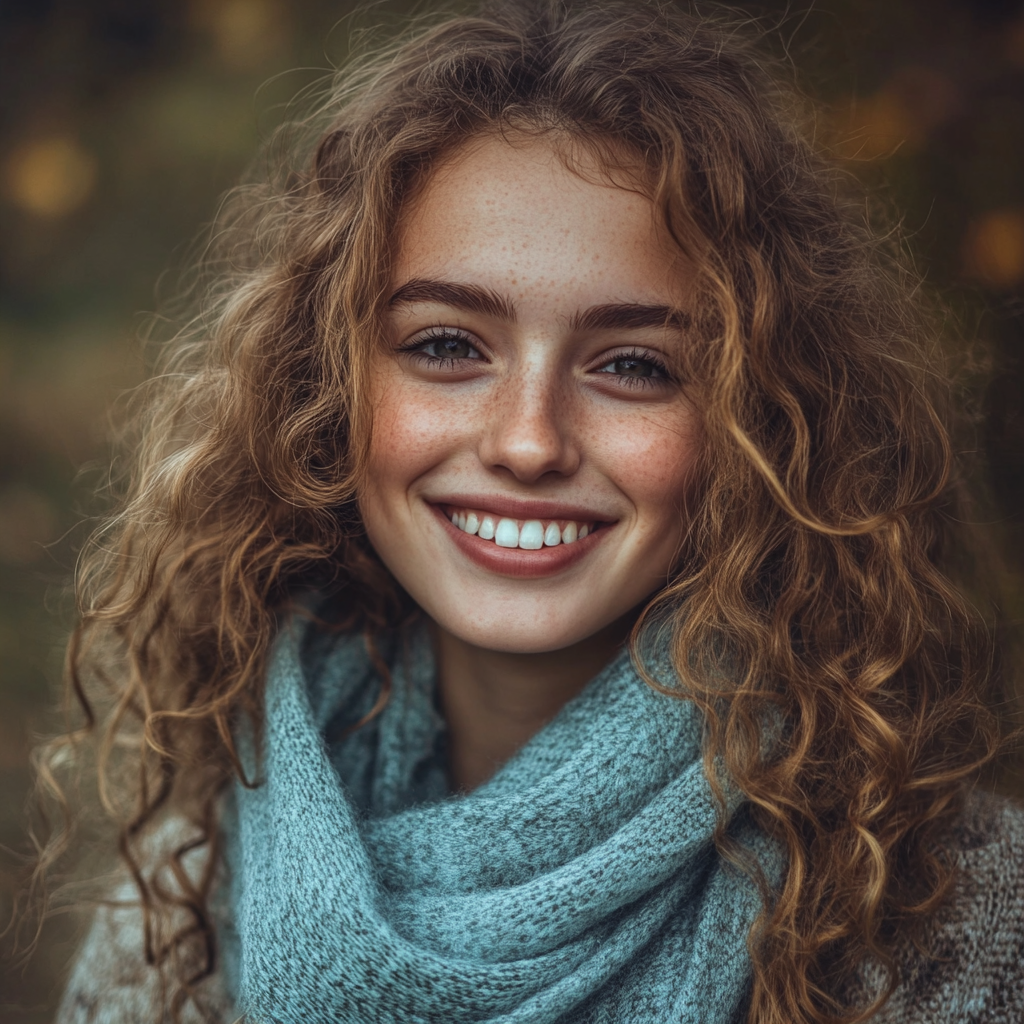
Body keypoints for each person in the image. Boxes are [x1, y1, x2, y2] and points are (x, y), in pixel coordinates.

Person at [42, 1, 1024, 1022]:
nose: (526, 440)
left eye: (633, 365)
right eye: (446, 345)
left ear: (760, 418)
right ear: (326, 383)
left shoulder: (947, 909)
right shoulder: (190, 880)